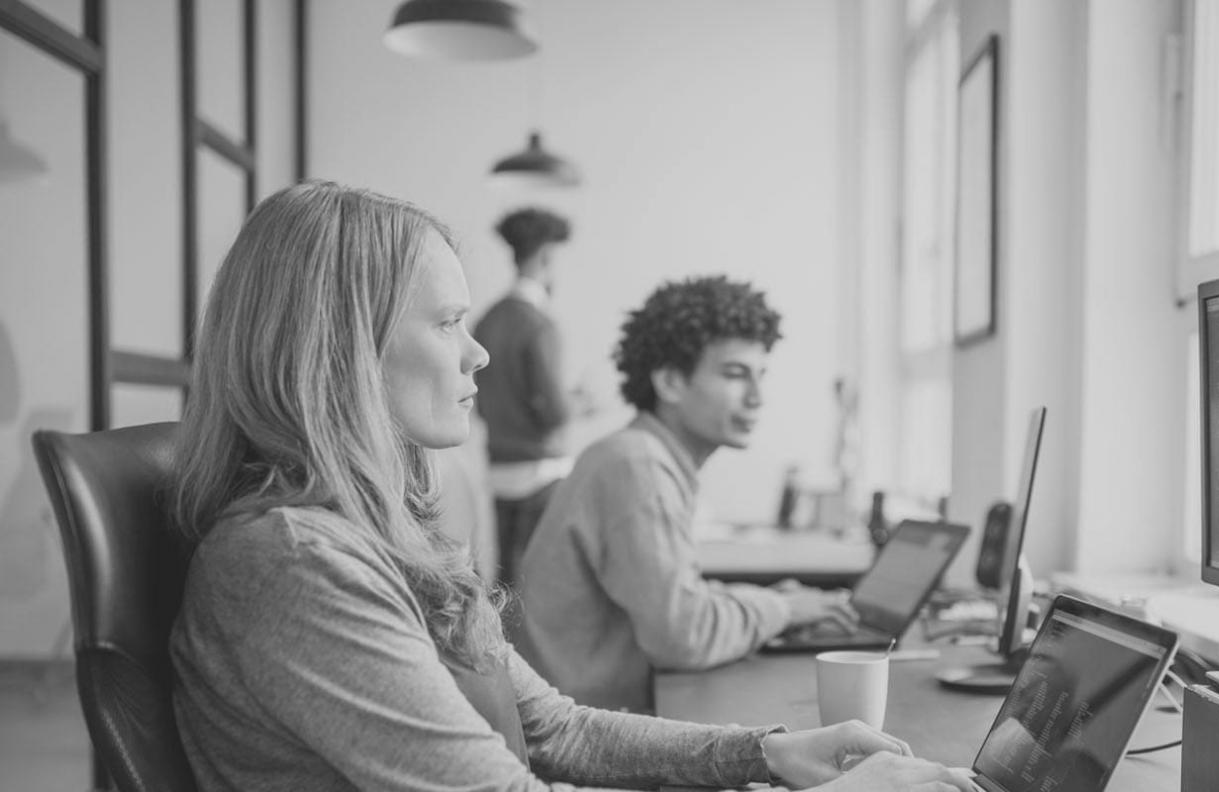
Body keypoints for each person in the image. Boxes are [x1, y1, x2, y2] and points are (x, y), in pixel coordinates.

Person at [166, 181, 972, 792]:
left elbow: (551, 728)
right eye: (448, 324)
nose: (478, 354)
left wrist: (764, 753)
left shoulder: (378, 535)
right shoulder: (295, 562)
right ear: (340, 349)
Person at [516, 276, 857, 713]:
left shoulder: (636, 454)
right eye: (735, 374)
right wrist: (782, 610)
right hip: (579, 738)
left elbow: (677, 599)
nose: (757, 397)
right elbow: (683, 636)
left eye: (760, 376)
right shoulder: (637, 466)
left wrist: (773, 601)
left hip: (586, 713)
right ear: (671, 382)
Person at [473, 207, 574, 590]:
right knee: (541, 587)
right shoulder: (539, 324)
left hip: (498, 469)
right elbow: (556, 412)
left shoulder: (486, 320)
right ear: (546, 256)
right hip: (540, 474)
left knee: (507, 585)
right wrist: (578, 403)